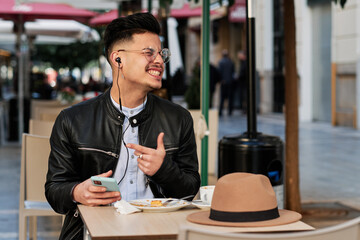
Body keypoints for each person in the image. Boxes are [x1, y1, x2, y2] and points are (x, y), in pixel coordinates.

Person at [45, 13, 200, 240]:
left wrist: (164, 170)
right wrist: (77, 191)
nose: (159, 61)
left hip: (161, 231)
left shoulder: (179, 119)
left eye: (161, 53)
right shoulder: (72, 120)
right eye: (149, 52)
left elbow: (189, 191)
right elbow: (54, 190)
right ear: (118, 59)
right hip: (93, 233)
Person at [218, 49, 235, 116]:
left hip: (223, 82)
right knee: (230, 97)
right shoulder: (231, 62)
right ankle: (230, 111)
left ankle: (220, 111)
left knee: (222, 97)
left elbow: (219, 72)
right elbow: (233, 72)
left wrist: (221, 80)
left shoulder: (221, 62)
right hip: (230, 82)